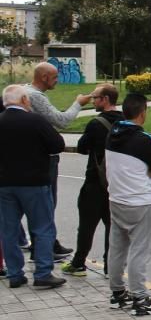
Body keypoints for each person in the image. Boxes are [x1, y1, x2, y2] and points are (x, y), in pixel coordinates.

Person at [106, 93, 151, 316]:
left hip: (116, 199)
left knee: (117, 247)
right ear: (143, 112)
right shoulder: (143, 140)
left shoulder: (112, 135)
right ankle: (140, 298)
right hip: (140, 201)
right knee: (139, 251)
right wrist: (148, 169)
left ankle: (117, 293)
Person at [0, 84, 67, 289]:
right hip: (35, 182)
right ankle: (43, 273)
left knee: (8, 230)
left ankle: (15, 274)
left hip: (4, 185)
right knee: (42, 228)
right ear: (23, 100)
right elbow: (58, 145)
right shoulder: (35, 120)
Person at [25, 61, 93, 260]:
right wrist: (78, 103)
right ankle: (44, 249)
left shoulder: (23, 91)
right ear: (44, 77)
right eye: (55, 77)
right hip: (45, 158)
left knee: (38, 204)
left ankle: (45, 243)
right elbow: (61, 121)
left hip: (29, 157)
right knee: (47, 203)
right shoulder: (36, 97)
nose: (58, 80)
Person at [61, 84, 124, 277]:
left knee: (87, 225)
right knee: (112, 228)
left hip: (95, 182)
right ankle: (110, 266)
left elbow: (81, 147)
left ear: (105, 99)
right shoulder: (125, 122)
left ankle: (79, 264)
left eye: (95, 97)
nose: (92, 100)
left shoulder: (96, 124)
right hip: (117, 184)